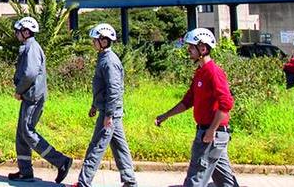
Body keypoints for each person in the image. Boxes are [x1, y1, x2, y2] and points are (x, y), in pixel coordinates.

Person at [154, 28, 238, 187]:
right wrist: (165, 115)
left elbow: (226, 104)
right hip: (211, 133)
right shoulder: (200, 72)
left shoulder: (213, 72)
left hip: (211, 133)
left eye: (191, 47)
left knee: (195, 180)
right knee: (225, 182)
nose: (188, 50)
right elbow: (188, 101)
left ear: (203, 48)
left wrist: (211, 130)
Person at [65, 23, 136, 187]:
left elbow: (114, 89)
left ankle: (84, 183)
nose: (93, 43)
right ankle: (130, 182)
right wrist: (94, 105)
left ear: (104, 41)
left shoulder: (109, 61)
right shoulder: (103, 58)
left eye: (95, 40)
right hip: (107, 110)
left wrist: (108, 115)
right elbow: (101, 86)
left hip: (109, 112)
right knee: (120, 148)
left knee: (96, 147)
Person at [9, 16, 73, 183]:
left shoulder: (32, 48)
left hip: (32, 97)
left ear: (26, 31)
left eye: (18, 31)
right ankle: (25, 172)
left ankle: (61, 161)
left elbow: (29, 74)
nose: (16, 34)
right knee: (21, 133)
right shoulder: (28, 47)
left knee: (28, 132)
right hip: (29, 96)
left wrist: (19, 90)